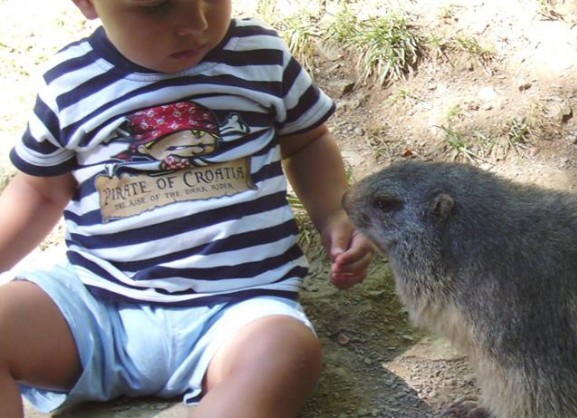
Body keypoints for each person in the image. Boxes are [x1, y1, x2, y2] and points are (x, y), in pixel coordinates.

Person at [0, 1, 373, 417]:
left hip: (238, 308)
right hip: (100, 304)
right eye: (155, 8)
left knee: (287, 355)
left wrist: (334, 212)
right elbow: (40, 191)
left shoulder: (259, 57)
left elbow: (306, 142)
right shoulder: (70, 82)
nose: (196, 23)